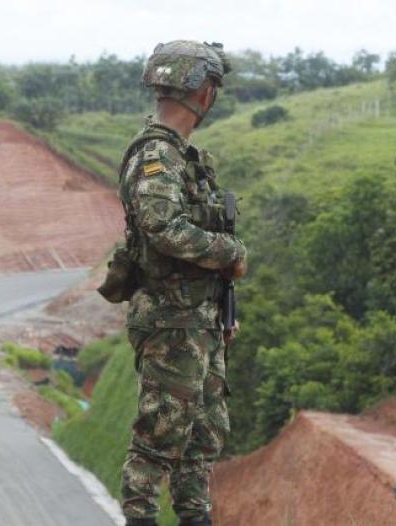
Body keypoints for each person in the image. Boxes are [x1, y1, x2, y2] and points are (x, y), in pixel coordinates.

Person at [115, 40, 247, 526]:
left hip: (200, 319)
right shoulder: (156, 156)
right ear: (205, 92)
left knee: (202, 437)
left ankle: (196, 517)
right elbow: (162, 227)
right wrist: (230, 253)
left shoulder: (186, 157)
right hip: (171, 321)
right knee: (158, 437)